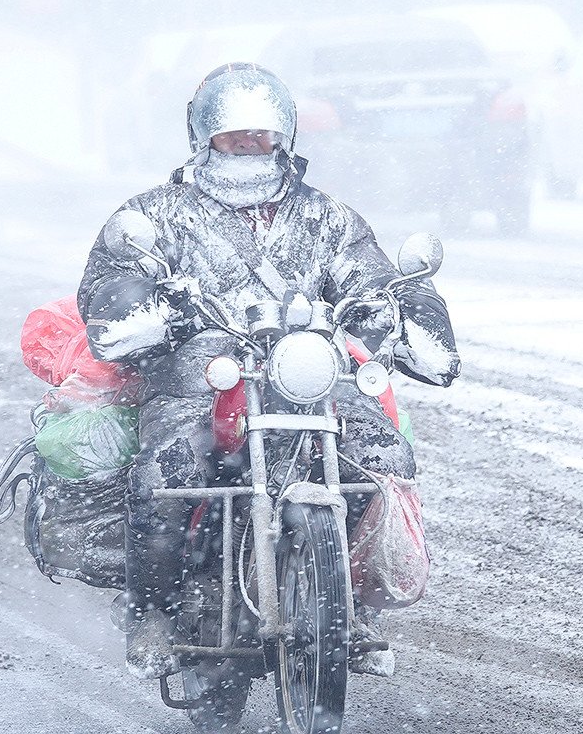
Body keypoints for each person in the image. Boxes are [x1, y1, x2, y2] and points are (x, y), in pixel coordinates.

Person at [78, 63, 460, 680]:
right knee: (167, 472)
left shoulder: (326, 218)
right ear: (204, 136)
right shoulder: (156, 215)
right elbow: (111, 287)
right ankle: (152, 615)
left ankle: (353, 601)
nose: (248, 145)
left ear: (284, 135)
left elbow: (369, 276)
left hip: (311, 376)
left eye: (260, 134)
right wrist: (157, 308)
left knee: (383, 457)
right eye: (233, 135)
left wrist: (390, 311)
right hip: (199, 379)